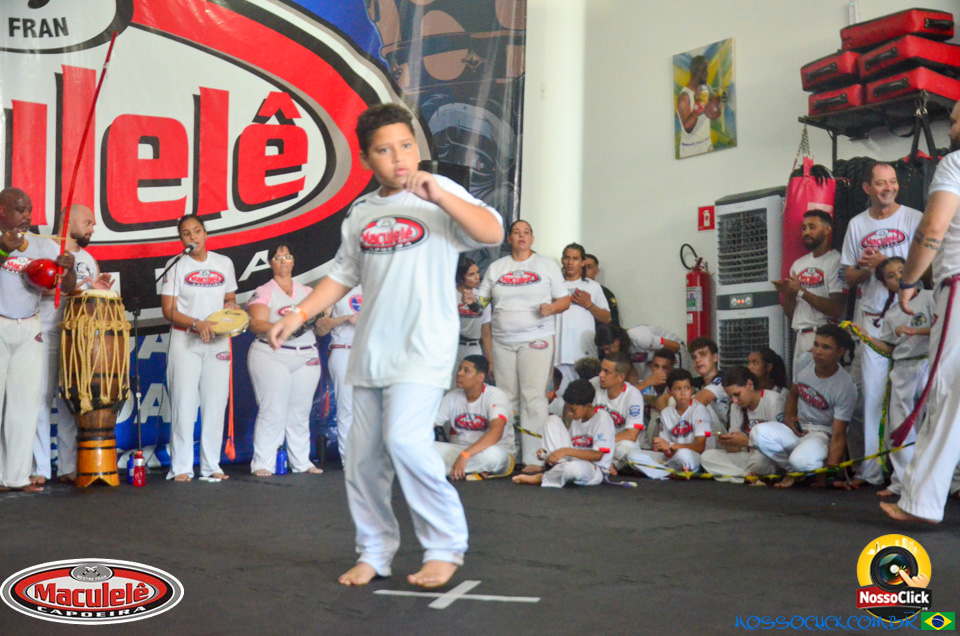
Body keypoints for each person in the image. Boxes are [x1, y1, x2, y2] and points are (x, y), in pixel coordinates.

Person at [268, 103, 503, 588]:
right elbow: (342, 275)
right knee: (362, 458)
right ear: (365, 159)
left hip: (424, 345)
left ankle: (444, 546)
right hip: (372, 349)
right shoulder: (362, 212)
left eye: (406, 146)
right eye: (384, 150)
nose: (399, 157)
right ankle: (374, 552)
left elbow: (491, 231)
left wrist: (440, 195)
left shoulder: (439, 194)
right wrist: (298, 313)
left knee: (404, 441)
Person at [882, 101, 960, 523]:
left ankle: (921, 502)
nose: (951, 127)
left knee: (947, 393)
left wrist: (909, 280)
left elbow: (932, 228)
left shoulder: (955, 164)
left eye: (955, 120)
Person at [841, 161, 923, 487]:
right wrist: (867, 269)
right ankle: (873, 473)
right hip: (873, 319)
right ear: (867, 188)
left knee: (911, 400)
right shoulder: (857, 225)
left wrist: (887, 264)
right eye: (880, 183)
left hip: (910, 318)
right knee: (873, 399)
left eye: (892, 181)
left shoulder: (914, 218)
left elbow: (928, 267)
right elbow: (848, 276)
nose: (888, 188)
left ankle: (912, 478)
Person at [0, 187, 76, 493]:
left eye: (29, 210)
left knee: (24, 405)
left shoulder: (43, 245)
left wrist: (68, 268)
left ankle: (16, 477)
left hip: (30, 326)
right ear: (2, 211)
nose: (26, 216)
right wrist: (2, 251)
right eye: (20, 210)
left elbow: (66, 286)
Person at [478, 220, 569, 473]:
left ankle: (534, 458)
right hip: (502, 341)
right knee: (505, 397)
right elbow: (481, 301)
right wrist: (470, 300)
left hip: (536, 339)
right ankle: (507, 455)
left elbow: (564, 300)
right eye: (516, 232)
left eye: (526, 232)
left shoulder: (546, 265)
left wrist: (552, 308)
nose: (521, 236)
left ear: (532, 239)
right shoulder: (497, 267)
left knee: (533, 397)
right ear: (509, 239)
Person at [32, 204, 112, 485]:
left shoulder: (89, 259)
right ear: (69, 221)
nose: (93, 228)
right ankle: (40, 468)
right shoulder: (42, 248)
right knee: (40, 400)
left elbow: (90, 301)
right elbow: (37, 287)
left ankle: (68, 465)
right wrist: (74, 290)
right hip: (44, 332)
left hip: (77, 338)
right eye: (88, 222)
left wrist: (96, 291)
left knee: (71, 401)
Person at [843, 258, 933, 498]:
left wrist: (914, 331)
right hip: (903, 368)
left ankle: (949, 482)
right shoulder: (892, 314)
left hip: (930, 363)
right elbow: (890, 349)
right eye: (891, 276)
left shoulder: (929, 297)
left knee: (937, 422)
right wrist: (867, 337)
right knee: (900, 427)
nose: (898, 277)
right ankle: (902, 482)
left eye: (902, 271)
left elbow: (945, 327)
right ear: (885, 285)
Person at [160, 214, 239, 482]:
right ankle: (181, 467)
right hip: (186, 340)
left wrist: (231, 307)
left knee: (215, 405)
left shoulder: (224, 263)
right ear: (181, 239)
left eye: (196, 231)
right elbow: (168, 310)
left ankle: (210, 465)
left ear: (205, 233)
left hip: (218, 341)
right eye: (186, 233)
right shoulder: (176, 265)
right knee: (183, 405)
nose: (193, 236)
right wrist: (196, 323)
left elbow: (229, 297)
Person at [246, 244, 324, 477]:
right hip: (272, 354)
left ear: (293, 261)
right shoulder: (264, 290)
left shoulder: (307, 291)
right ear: (271, 262)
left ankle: (301, 461)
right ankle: (263, 463)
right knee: (273, 410)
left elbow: (321, 325)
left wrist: (324, 315)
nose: (283, 261)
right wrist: (285, 327)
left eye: (287, 256)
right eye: (278, 257)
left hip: (306, 354)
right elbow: (256, 323)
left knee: (300, 411)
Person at [749, 325, 857, 489]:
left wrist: (829, 476)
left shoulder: (845, 385)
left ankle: (806, 468)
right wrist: (789, 419)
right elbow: (793, 395)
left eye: (826, 347)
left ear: (840, 352)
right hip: (798, 430)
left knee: (800, 461)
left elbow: (839, 436)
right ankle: (795, 472)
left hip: (821, 436)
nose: (818, 351)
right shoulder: (804, 361)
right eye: (816, 345)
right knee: (757, 433)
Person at [773, 211, 846, 373]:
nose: (806, 232)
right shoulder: (798, 264)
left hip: (824, 338)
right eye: (804, 228)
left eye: (812, 227)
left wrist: (801, 291)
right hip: (800, 337)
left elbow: (836, 308)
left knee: (822, 385)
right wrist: (789, 293)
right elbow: (792, 314)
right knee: (799, 386)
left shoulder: (836, 261)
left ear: (827, 230)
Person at [512, 379, 614, 487]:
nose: (569, 414)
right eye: (567, 409)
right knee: (552, 420)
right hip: (571, 461)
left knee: (572, 469)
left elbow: (598, 455)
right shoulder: (577, 418)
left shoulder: (602, 418)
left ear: (588, 406)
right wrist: (546, 454)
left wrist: (565, 451)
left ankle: (540, 478)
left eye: (573, 410)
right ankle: (556, 468)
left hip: (593, 469)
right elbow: (569, 446)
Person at [433, 356, 513, 479]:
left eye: (466, 371)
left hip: (493, 451)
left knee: (492, 456)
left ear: (480, 377)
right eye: (460, 369)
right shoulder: (451, 397)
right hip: (461, 451)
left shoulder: (495, 396)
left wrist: (465, 455)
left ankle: (436, 469)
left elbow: (496, 432)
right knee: (421, 448)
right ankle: (469, 470)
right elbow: (429, 425)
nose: (459, 373)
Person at [700, 367, 784, 482]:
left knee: (759, 461)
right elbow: (737, 448)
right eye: (731, 397)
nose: (734, 400)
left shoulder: (773, 400)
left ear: (750, 385)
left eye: (737, 394)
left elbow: (780, 444)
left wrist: (748, 442)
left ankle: (738, 476)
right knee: (707, 457)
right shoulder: (736, 406)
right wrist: (730, 444)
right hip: (747, 457)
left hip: (767, 457)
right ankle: (747, 477)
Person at [629, 368, 711, 479]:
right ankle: (671, 473)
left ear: (692, 390)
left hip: (693, 457)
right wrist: (663, 448)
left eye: (687, 388)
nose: (683, 393)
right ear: (669, 392)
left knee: (683, 455)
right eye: (678, 389)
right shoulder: (666, 413)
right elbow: (665, 448)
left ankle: (660, 471)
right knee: (632, 455)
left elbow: (700, 447)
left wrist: (671, 446)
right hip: (671, 458)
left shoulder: (699, 410)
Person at [554, 243, 611, 393]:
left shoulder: (593, 286)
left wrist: (589, 305)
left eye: (575, 258)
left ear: (583, 262)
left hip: (585, 355)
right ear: (562, 260)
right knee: (561, 400)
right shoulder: (553, 285)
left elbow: (607, 318)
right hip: (559, 355)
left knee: (586, 398)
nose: (570, 262)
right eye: (567, 258)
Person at [317, 284, 362, 461]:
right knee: (347, 407)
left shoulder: (376, 284)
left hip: (371, 351)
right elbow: (321, 327)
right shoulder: (336, 288)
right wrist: (345, 318)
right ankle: (349, 459)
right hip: (344, 349)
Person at [590, 352, 645, 474]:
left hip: (616, 444)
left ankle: (607, 465)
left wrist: (602, 441)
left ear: (620, 377)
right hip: (594, 441)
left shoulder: (633, 395)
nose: (600, 375)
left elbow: (631, 435)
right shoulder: (593, 384)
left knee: (627, 447)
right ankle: (604, 466)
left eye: (606, 372)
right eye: (601, 370)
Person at [595, 323, 683, 384]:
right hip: (652, 359)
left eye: (607, 348)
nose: (606, 352)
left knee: (675, 383)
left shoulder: (640, 338)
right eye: (603, 349)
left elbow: (675, 346)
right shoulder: (621, 351)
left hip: (676, 352)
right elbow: (633, 375)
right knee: (647, 385)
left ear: (617, 341)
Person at [454, 257, 491, 384]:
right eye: (471, 274)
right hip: (454, 346)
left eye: (477, 273)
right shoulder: (450, 295)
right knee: (452, 388)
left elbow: (486, 332)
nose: (477, 277)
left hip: (475, 346)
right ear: (461, 278)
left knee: (474, 387)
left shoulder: (482, 296)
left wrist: (490, 361)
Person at [676, 55, 720, 158]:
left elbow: (715, 112)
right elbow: (688, 127)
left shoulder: (705, 88)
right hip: (690, 149)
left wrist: (716, 102)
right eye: (705, 70)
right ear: (697, 72)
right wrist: (698, 105)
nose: (707, 73)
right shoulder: (684, 97)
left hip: (707, 144)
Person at [633, 348, 677, 449]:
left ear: (672, 369)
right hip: (640, 434)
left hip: (664, 437)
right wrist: (648, 382)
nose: (659, 372)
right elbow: (623, 396)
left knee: (657, 413)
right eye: (656, 366)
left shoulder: (675, 387)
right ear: (651, 366)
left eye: (665, 368)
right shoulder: (643, 384)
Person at [689, 337, 729, 436]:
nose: (697, 360)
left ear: (715, 358)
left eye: (702, 354)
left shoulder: (724, 379)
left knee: (699, 405)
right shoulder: (694, 382)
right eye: (694, 357)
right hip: (701, 433)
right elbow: (666, 398)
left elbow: (702, 399)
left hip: (723, 435)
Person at [583, 253, 619, 325]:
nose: (585, 270)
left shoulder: (606, 293)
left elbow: (613, 321)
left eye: (589, 267)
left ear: (596, 271)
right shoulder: (571, 290)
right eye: (583, 267)